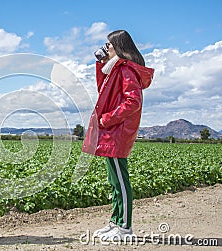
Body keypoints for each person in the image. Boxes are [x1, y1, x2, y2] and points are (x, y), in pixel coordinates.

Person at [82, 30, 154, 241]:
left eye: (109, 45)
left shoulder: (126, 70)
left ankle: (124, 227)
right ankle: (116, 222)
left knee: (121, 182)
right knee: (115, 181)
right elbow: (103, 90)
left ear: (119, 46)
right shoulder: (116, 70)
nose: (107, 48)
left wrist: (107, 119)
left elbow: (133, 102)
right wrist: (101, 63)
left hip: (117, 132)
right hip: (113, 132)